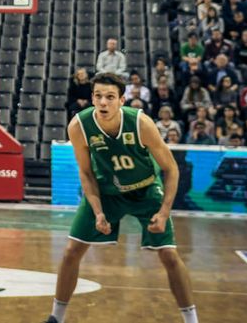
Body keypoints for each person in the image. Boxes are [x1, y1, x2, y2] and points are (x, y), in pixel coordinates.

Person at [42, 73, 197, 323]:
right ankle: (56, 318)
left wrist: (164, 211)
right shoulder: (78, 126)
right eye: (98, 96)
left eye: (110, 97)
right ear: (92, 98)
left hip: (146, 190)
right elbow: (86, 172)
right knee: (71, 250)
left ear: (122, 100)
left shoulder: (141, 123)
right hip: (107, 192)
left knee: (168, 254)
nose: (104, 102)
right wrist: (99, 211)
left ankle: (192, 320)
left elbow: (171, 169)